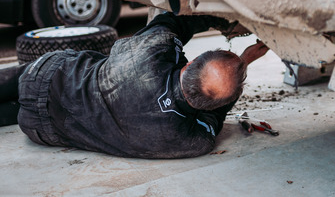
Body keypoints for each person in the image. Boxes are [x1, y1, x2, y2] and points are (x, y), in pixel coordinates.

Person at [0, 12, 268, 159]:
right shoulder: (193, 141)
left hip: (46, 78)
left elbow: (171, 22)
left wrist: (217, 19)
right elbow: (215, 116)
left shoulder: (152, 52)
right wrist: (244, 61)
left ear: (190, 65)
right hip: (40, 128)